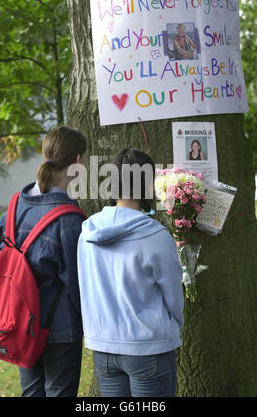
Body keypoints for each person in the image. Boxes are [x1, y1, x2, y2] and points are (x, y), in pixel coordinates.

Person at [77, 148, 184, 397]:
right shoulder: (155, 235)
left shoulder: (87, 233)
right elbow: (173, 294)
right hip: (148, 346)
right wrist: (174, 325)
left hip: (104, 346)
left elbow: (86, 285)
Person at [0, 126, 87, 397]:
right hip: (60, 329)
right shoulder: (69, 220)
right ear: (79, 162)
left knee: (32, 392)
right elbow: (76, 285)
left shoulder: (13, 209)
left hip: (20, 322)